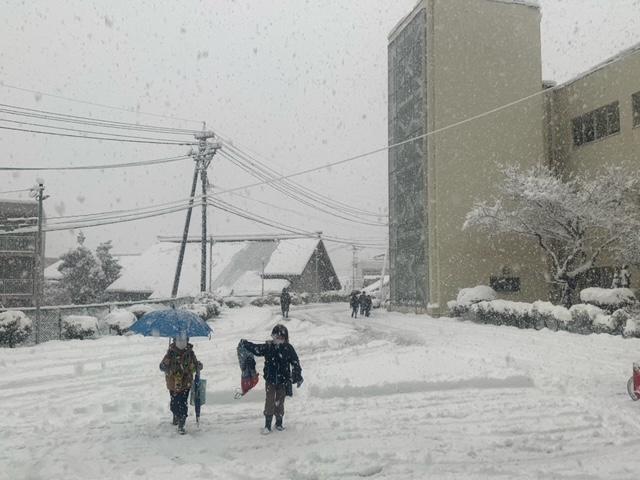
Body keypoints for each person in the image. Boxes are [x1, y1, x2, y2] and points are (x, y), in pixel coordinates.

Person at [240, 324, 303, 434]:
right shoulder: (268, 347)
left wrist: (297, 375)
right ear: (273, 337)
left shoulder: (288, 348)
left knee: (280, 402)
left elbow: (295, 362)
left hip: (283, 381)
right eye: (276, 337)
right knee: (270, 401)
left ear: (285, 338)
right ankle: (267, 425)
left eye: (281, 338)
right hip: (270, 380)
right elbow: (257, 349)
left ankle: (279, 423)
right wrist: (246, 344)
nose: (278, 340)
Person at [159, 336, 203, 434]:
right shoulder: (170, 353)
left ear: (187, 340)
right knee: (174, 403)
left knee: (183, 404)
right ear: (174, 340)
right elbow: (162, 366)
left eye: (183, 340)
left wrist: (198, 366)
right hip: (173, 383)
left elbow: (195, 364)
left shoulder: (190, 352)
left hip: (186, 383)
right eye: (179, 340)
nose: (181, 343)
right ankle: (175, 415)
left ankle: (181, 423)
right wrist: (164, 365)